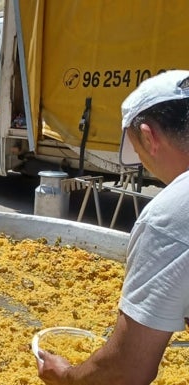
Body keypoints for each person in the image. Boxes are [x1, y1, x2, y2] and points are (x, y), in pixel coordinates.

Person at [36, 70, 189, 384]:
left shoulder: (170, 216)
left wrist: (65, 375)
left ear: (148, 137)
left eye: (137, 150)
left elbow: (127, 370)